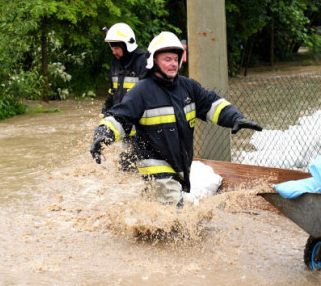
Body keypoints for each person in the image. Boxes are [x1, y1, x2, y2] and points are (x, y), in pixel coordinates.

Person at [89, 31, 262, 205]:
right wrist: (102, 136)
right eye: (167, 60)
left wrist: (235, 118)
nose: (173, 64)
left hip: (180, 163)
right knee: (178, 210)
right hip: (154, 163)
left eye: (175, 59)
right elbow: (119, 118)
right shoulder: (141, 91)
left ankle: (143, 222)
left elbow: (212, 104)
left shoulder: (188, 87)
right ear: (154, 61)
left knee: (160, 209)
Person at [100, 23, 148, 169]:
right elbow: (113, 91)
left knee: (135, 164)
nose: (114, 52)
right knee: (127, 165)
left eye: (116, 48)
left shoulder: (144, 62)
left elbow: (150, 95)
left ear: (127, 45)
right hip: (124, 123)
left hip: (143, 128)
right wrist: (106, 112)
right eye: (112, 48)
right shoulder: (116, 64)